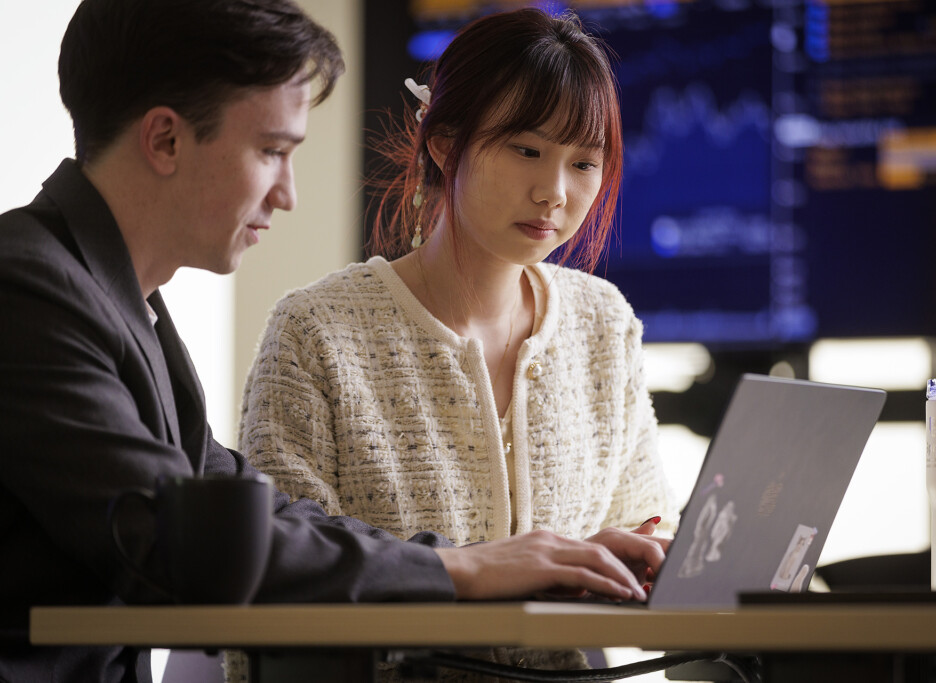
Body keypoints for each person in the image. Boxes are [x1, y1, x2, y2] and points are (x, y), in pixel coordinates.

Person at [0, 2, 669, 682]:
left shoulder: (114, 301)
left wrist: (490, 562)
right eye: (271, 151)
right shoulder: (28, 288)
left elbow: (239, 506)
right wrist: (463, 565)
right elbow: (168, 541)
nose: (288, 193)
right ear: (166, 140)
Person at [239, 7, 678, 675]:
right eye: (527, 150)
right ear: (444, 143)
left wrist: (641, 557)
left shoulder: (604, 324)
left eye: (584, 162)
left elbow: (648, 524)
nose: (553, 192)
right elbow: (277, 573)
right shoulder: (317, 333)